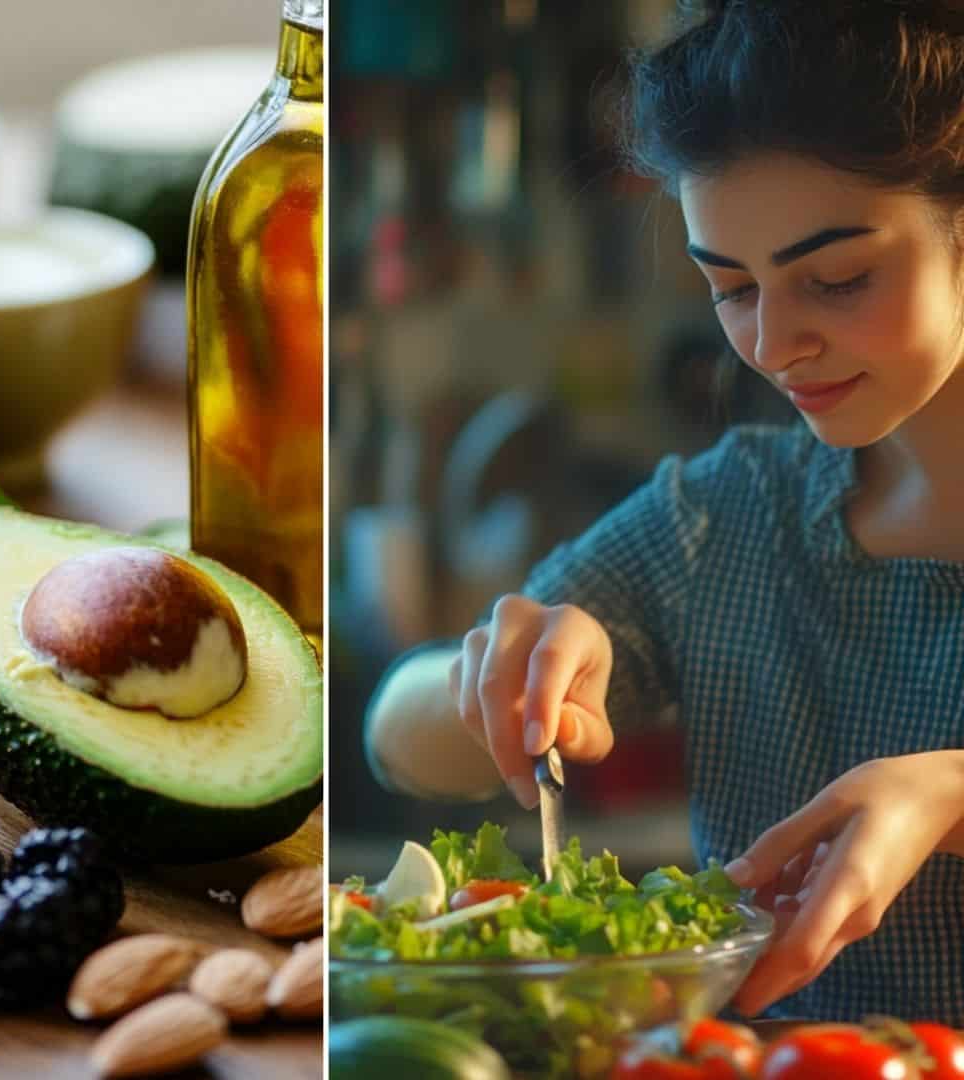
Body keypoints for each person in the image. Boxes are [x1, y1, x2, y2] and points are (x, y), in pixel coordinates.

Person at [364, 0, 964, 1026]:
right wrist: (498, 680)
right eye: (731, 288)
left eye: (836, 278)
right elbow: (392, 733)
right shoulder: (724, 517)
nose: (775, 345)